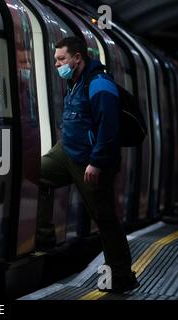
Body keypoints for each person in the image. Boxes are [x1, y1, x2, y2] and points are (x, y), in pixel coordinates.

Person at [35, 36, 139, 293]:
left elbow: (109, 128)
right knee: (35, 174)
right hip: (67, 152)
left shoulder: (99, 84)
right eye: (56, 59)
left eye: (61, 59)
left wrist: (97, 162)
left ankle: (122, 277)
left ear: (77, 57)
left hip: (91, 161)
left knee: (104, 218)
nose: (57, 64)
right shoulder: (75, 81)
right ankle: (44, 238)